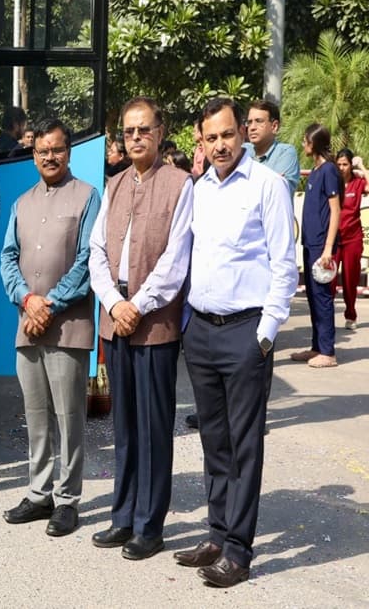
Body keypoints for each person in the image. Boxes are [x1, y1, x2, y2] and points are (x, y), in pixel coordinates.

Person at [176, 97, 296, 587]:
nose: (221, 144)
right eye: (212, 137)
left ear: (243, 134)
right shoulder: (199, 189)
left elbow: (285, 265)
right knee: (214, 442)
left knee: (244, 446)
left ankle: (239, 552)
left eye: (229, 134)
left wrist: (265, 337)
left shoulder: (267, 186)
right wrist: (187, 325)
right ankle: (218, 533)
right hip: (201, 332)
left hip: (246, 333)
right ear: (200, 141)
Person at [88, 96, 193, 561]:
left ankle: (151, 526)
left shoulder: (179, 184)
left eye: (143, 130)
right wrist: (113, 301)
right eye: (128, 131)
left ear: (160, 131)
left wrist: (138, 304)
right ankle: (122, 516)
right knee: (124, 427)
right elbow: (95, 252)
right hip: (117, 318)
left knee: (154, 428)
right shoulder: (111, 186)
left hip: (155, 323)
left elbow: (176, 259)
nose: (135, 138)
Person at [0, 118, 100, 537]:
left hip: (67, 327)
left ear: (69, 151)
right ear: (33, 154)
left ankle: (68, 500)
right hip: (28, 326)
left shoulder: (87, 197)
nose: (49, 157)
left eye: (56, 149)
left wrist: (50, 304)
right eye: (41, 151)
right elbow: (7, 258)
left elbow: (88, 261)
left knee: (69, 416)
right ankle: (39, 493)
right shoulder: (22, 202)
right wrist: (27, 300)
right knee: (36, 415)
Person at [293, 124, 343, 368]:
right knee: (313, 297)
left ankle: (328, 352)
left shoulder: (330, 171)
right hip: (309, 242)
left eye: (305, 141)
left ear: (315, 143)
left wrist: (327, 249)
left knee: (323, 298)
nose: (303, 144)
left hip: (322, 245)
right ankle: (316, 347)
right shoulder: (315, 171)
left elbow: (335, 211)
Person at [334, 149, 366, 330]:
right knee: (328, 280)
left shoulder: (358, 182)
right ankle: (326, 317)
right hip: (334, 238)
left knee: (349, 280)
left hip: (353, 239)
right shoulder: (332, 181)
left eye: (345, 164)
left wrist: (361, 166)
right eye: (339, 164)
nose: (342, 168)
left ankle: (351, 316)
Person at [243, 98, 301, 192]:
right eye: (249, 122)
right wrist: (271, 180)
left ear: (274, 126)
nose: (252, 127)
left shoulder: (286, 153)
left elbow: (278, 192)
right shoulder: (243, 151)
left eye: (259, 121)